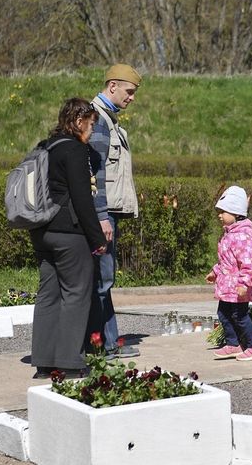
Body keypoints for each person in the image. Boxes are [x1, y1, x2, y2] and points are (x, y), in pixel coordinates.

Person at [30, 98, 108, 378]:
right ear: (78, 121)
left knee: (49, 295)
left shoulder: (45, 147)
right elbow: (82, 197)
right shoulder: (75, 149)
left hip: (41, 231)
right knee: (76, 293)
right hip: (68, 233)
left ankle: (43, 362)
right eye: (90, 124)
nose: (91, 130)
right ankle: (70, 363)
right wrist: (97, 237)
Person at [88, 64, 141, 358]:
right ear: (112, 86)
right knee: (102, 279)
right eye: (129, 91)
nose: (131, 98)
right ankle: (100, 346)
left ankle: (108, 342)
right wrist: (101, 215)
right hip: (103, 214)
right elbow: (95, 173)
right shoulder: (98, 121)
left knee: (104, 280)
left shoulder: (108, 119)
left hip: (106, 213)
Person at [207, 186, 252, 361]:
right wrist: (215, 272)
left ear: (236, 213)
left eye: (223, 211)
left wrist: (244, 283)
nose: (220, 215)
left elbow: (249, 264)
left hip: (239, 286)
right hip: (228, 286)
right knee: (223, 313)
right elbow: (226, 262)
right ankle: (233, 344)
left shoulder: (242, 237)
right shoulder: (229, 235)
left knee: (239, 315)